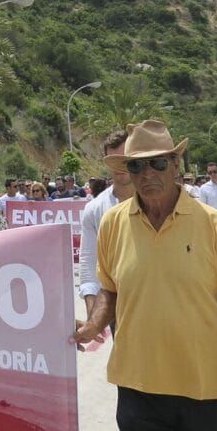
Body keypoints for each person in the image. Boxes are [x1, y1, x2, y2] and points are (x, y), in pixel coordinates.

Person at [73, 120, 217, 431]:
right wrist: (94, 324)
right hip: (139, 390)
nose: (147, 174)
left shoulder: (215, 227)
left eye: (158, 163)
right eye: (136, 166)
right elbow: (110, 289)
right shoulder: (113, 222)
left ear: (176, 165)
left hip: (210, 391)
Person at [78, 129, 132, 321]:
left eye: (125, 159)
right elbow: (88, 259)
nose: (119, 166)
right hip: (118, 307)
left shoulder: (157, 202)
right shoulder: (94, 209)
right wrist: (92, 306)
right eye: (112, 160)